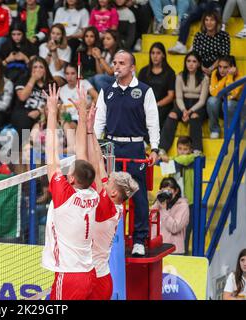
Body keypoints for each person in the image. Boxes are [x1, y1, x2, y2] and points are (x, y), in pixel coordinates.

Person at [94, 50, 160, 256]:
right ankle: (108, 236)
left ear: (132, 67)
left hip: (135, 147)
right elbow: (98, 122)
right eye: (114, 62)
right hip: (111, 146)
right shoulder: (106, 91)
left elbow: (153, 121)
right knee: (108, 192)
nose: (117, 66)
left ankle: (139, 240)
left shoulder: (144, 90)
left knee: (138, 194)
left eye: (122, 63)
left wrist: (155, 147)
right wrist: (93, 145)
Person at [76, 86, 138, 299]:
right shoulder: (116, 203)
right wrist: (92, 129)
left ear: (113, 192)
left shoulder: (107, 206)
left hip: (92, 278)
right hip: (103, 276)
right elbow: (100, 163)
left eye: (110, 181)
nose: (107, 178)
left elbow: (93, 162)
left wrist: (83, 122)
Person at [41, 83, 99, 300]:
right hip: (87, 272)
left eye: (70, 172)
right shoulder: (92, 194)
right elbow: (83, 155)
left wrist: (52, 112)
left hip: (70, 275)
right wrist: (83, 119)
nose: (66, 173)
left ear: (72, 179)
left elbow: (51, 156)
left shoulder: (66, 197)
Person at [159, 52, 209, 155]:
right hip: (182, 103)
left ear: (199, 64)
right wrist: (184, 111)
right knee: (172, 115)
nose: (191, 64)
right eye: (188, 61)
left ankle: (196, 149)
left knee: (194, 117)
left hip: (197, 105)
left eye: (194, 61)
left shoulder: (205, 78)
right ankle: (162, 148)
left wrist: (190, 112)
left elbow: (202, 100)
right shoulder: (180, 76)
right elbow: (179, 97)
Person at [159, 136, 197, 254]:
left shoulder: (193, 158)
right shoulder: (174, 160)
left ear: (190, 150)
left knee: (186, 232)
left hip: (189, 201)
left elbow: (187, 159)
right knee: (172, 228)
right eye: (180, 149)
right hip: (175, 200)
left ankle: (183, 253)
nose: (182, 152)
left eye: (185, 149)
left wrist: (168, 159)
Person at [11, 56, 55, 140]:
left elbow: (55, 103)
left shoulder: (51, 84)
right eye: (35, 67)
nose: (38, 70)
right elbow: (22, 97)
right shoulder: (23, 79)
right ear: (31, 69)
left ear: (45, 70)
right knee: (25, 122)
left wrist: (39, 111)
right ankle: (19, 149)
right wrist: (33, 79)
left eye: (41, 67)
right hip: (23, 111)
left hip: (42, 113)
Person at [59, 63, 98, 154]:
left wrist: (85, 107)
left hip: (83, 118)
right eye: (67, 74)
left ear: (78, 74)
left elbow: (97, 97)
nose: (70, 77)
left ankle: (69, 150)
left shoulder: (84, 83)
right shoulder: (62, 90)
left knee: (67, 126)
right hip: (69, 120)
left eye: (73, 73)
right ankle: (71, 150)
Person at [138, 42, 176, 130]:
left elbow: (170, 96)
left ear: (163, 55)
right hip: (146, 104)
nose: (155, 56)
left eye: (158, 53)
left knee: (156, 114)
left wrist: (156, 104)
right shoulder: (143, 71)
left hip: (162, 105)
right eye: (153, 53)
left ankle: (149, 141)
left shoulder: (170, 73)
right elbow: (139, 91)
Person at [207, 55, 243, 139]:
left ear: (233, 67)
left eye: (225, 67)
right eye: (220, 67)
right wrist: (226, 77)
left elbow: (232, 95)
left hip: (235, 109)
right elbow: (214, 93)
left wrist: (230, 76)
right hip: (221, 109)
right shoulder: (214, 73)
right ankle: (215, 130)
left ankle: (232, 130)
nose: (221, 70)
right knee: (211, 101)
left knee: (229, 104)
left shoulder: (240, 77)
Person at [151, 177, 190, 255]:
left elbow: (175, 228)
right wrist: (157, 202)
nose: (166, 193)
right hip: (157, 249)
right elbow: (149, 221)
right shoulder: (160, 204)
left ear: (176, 191)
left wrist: (163, 209)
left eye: (169, 191)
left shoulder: (182, 206)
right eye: (164, 191)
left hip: (174, 251)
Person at [192, 10, 230, 77]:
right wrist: (202, 68)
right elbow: (195, 55)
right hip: (201, 66)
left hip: (218, 66)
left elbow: (224, 56)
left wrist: (211, 68)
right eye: (206, 20)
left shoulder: (224, 36)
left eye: (212, 20)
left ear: (217, 22)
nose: (208, 23)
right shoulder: (199, 35)